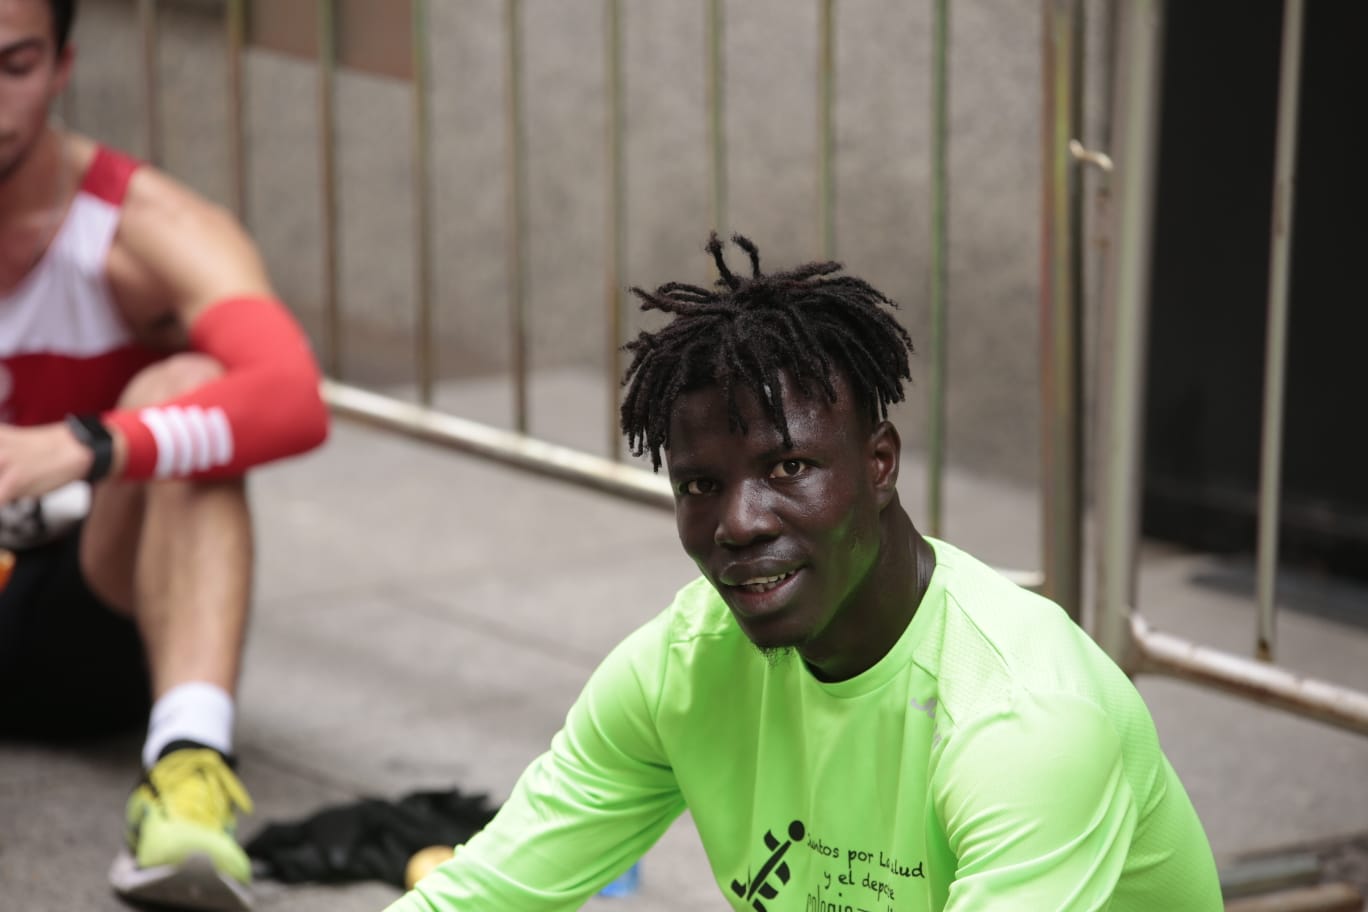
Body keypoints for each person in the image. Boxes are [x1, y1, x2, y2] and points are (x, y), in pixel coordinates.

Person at [387, 233, 1223, 911]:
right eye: (700, 486)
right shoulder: (680, 669)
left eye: (788, 468)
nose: (739, 523)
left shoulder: (1023, 719)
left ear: (880, 464)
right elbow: (483, 895)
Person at [0, 1, 328, 910]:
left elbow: (292, 396)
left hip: (79, 613)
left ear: (62, 66)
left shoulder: (142, 226)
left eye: (13, 65)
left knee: (188, 385)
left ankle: (187, 774)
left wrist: (87, 444)